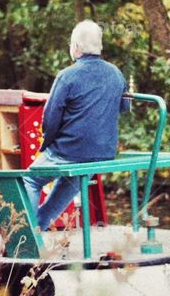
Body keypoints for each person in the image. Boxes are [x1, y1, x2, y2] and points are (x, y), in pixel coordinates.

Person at [24, 20, 129, 231]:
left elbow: (50, 119)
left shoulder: (67, 76)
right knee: (68, 182)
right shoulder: (116, 73)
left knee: (30, 179)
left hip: (70, 151)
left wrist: (48, 144)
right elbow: (124, 108)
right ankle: (35, 231)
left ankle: (23, 235)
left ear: (76, 48)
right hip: (103, 153)